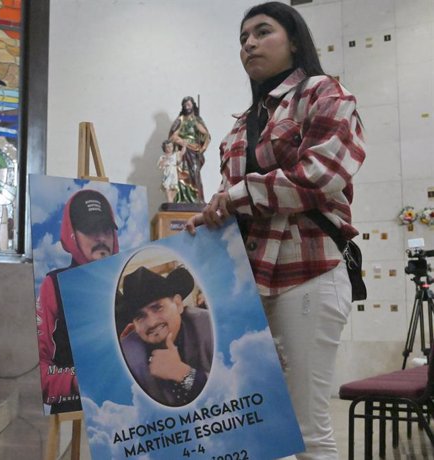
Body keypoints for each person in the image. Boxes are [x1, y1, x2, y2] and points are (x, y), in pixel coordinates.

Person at [185, 3, 366, 458]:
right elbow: (232, 201)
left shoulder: (325, 93)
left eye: (262, 32)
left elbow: (322, 173)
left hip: (307, 272)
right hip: (249, 283)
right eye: (242, 38)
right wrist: (210, 213)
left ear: (294, 39)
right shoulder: (239, 126)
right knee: (253, 429)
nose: (248, 44)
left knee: (307, 430)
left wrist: (237, 196)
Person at [36, 189, 119, 413]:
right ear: (72, 234)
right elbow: (39, 370)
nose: (101, 238)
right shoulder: (54, 285)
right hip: (75, 408)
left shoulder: (130, 283)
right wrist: (79, 381)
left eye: (106, 229)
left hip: (126, 420)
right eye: (90, 230)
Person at [118, 265, 214, 407]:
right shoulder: (128, 354)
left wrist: (183, 374)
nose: (151, 322)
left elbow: (236, 390)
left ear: (178, 304)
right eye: (140, 317)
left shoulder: (210, 326)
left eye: (158, 308)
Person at [168, 96, 211, 203]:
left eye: (189, 105)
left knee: (195, 173)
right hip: (183, 151)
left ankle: (197, 199)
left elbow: (206, 135)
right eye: (185, 105)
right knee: (182, 174)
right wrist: (182, 142)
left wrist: (203, 147)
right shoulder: (180, 120)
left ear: (193, 106)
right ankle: (182, 199)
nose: (187, 107)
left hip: (195, 151)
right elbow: (172, 136)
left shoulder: (197, 120)